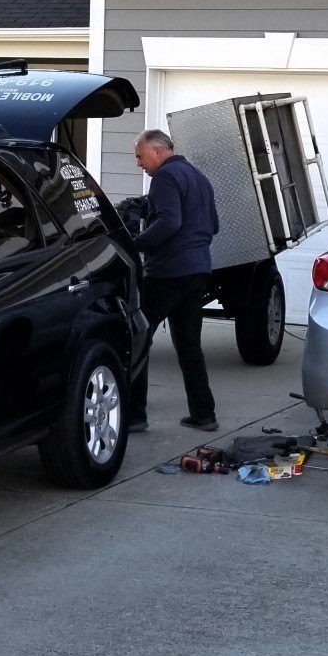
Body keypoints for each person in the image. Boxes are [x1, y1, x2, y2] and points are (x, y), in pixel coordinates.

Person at [128, 129, 220, 432]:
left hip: (169, 272)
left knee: (137, 338)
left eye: (140, 156)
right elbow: (214, 226)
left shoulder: (165, 178)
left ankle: (134, 416)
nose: (139, 162)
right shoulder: (198, 177)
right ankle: (204, 414)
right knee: (189, 345)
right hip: (198, 271)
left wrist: (137, 243)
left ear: (157, 151)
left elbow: (170, 221)